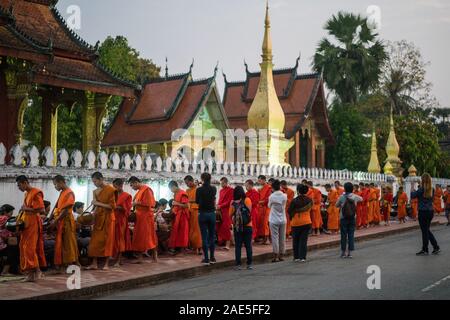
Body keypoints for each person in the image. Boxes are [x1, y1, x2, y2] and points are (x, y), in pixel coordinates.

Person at [15, 175, 47, 281]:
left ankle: (33, 273)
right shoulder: (27, 193)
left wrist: (26, 209)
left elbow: (41, 209)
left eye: (19, 185)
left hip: (32, 223)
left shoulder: (36, 192)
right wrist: (23, 210)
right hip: (26, 223)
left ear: (25, 182)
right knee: (25, 247)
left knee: (29, 248)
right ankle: (33, 272)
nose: (19, 188)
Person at [86, 172, 116, 270]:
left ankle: (106, 264)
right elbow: (95, 206)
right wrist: (92, 215)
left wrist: (97, 203)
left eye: (95, 181)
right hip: (98, 218)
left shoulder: (111, 190)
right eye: (93, 181)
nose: (94, 183)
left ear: (101, 179)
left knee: (107, 241)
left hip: (108, 218)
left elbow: (111, 206)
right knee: (94, 242)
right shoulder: (95, 191)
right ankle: (94, 263)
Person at [49, 175, 79, 271]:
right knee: (61, 243)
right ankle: (64, 263)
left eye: (55, 184)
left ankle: (72, 264)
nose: (55, 187)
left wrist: (55, 220)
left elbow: (65, 210)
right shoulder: (62, 192)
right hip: (59, 219)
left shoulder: (69, 193)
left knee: (69, 243)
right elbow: (57, 205)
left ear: (61, 182)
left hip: (66, 220)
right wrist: (50, 217)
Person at [129, 176, 157, 263]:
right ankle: (140, 258)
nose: (131, 187)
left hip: (146, 217)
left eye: (131, 185)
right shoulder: (139, 192)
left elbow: (151, 203)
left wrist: (137, 203)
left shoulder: (146, 189)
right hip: (139, 217)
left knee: (149, 237)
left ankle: (154, 257)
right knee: (139, 237)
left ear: (136, 182)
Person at [411, 173, 441, 256]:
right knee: (426, 230)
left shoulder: (421, 189)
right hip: (430, 211)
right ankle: (435, 247)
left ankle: (425, 249)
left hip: (423, 211)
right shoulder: (432, 189)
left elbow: (413, 195)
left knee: (424, 231)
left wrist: (412, 186)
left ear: (422, 180)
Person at [336, 183, 362, 258]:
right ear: (352, 189)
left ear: (344, 188)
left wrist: (342, 204)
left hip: (343, 218)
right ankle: (350, 253)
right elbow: (362, 199)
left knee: (343, 235)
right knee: (351, 235)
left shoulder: (341, 197)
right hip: (352, 218)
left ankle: (343, 252)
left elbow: (336, 205)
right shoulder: (355, 196)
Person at [195, 172, 217, 265]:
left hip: (203, 214)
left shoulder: (199, 189)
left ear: (202, 179)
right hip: (212, 214)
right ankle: (212, 257)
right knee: (212, 236)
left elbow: (197, 201)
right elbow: (213, 197)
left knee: (204, 237)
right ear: (210, 179)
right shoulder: (214, 188)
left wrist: (200, 185)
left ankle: (206, 259)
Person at [229, 186, 253, 270]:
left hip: (238, 227)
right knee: (248, 245)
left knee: (238, 246)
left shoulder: (233, 202)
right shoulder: (248, 200)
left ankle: (238, 265)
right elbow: (249, 212)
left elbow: (230, 215)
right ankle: (249, 264)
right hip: (248, 226)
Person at [288, 184, 313, 262]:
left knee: (295, 240)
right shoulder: (310, 200)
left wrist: (293, 216)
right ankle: (303, 257)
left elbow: (289, 211)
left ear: (298, 191)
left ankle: (296, 257)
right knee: (303, 241)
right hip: (307, 222)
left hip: (296, 223)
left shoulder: (294, 200)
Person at [112, 178, 132, 267]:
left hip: (121, 220)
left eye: (115, 186)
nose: (114, 188)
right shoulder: (113, 195)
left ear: (120, 185)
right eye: (113, 186)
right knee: (113, 239)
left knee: (120, 239)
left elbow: (127, 209)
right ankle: (115, 258)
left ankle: (119, 260)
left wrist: (115, 207)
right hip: (113, 219)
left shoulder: (127, 196)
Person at [168, 180, 190, 254]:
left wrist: (176, 203)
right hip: (176, 215)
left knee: (182, 232)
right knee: (176, 232)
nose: (171, 191)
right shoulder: (176, 193)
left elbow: (186, 205)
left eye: (171, 189)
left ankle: (181, 248)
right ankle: (175, 248)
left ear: (174, 186)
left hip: (182, 215)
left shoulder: (183, 193)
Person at [268, 180, 287, 262]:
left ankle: (275, 255)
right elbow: (284, 205)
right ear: (280, 187)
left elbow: (269, 206)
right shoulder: (284, 196)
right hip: (282, 219)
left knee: (275, 237)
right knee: (282, 237)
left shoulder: (271, 197)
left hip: (273, 219)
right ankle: (281, 255)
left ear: (272, 188)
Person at [184, 176, 202, 255]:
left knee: (197, 229)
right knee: (190, 229)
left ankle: (198, 247)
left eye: (187, 183)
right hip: (189, 211)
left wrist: (190, 201)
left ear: (191, 181)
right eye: (186, 183)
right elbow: (186, 201)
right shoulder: (187, 190)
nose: (187, 185)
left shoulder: (198, 189)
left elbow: (201, 200)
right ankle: (193, 246)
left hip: (196, 210)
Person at [216, 177, 234, 250]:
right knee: (219, 226)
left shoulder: (231, 190)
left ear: (226, 182)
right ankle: (222, 241)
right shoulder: (220, 191)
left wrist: (220, 206)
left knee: (226, 227)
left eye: (223, 183)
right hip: (220, 210)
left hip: (226, 210)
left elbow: (229, 201)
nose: (221, 185)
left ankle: (228, 244)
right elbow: (220, 200)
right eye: (221, 183)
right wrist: (217, 205)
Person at [0, 205, 16, 276]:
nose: (11, 215)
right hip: (1, 244)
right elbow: (7, 234)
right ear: (5, 212)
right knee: (13, 249)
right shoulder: (6, 219)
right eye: (11, 213)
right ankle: (5, 271)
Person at [257, 175, 272, 244]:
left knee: (265, 223)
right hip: (260, 208)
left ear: (263, 180)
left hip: (266, 207)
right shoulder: (261, 188)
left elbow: (268, 198)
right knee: (261, 223)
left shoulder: (269, 188)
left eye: (260, 180)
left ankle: (267, 239)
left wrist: (261, 202)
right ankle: (263, 238)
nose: (259, 182)